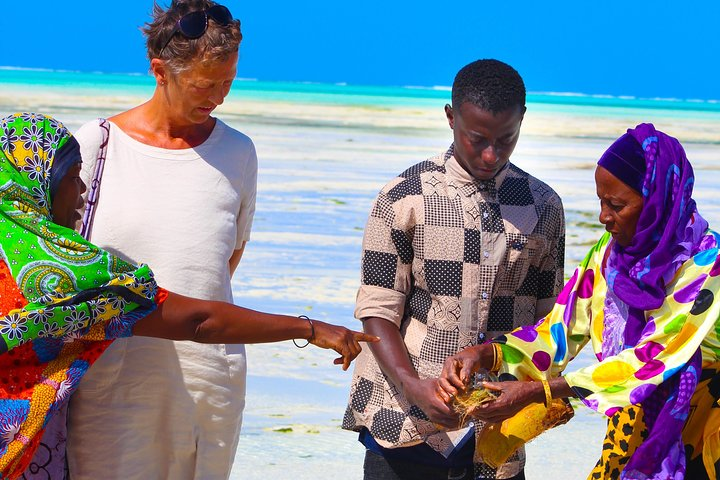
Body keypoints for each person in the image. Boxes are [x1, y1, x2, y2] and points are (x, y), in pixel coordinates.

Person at [0, 112, 376, 479]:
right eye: (70, 177)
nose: (81, 190)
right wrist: (308, 328)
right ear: (37, 185)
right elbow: (198, 321)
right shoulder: (63, 271)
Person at [438, 123, 720, 479]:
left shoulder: (708, 265)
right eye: (600, 202)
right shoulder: (610, 257)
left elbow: (651, 361)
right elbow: (558, 331)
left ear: (657, 202)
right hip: (631, 434)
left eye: (617, 205)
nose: (603, 217)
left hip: (702, 437)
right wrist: (486, 355)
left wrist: (538, 392)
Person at [342, 59, 566, 480]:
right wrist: (415, 387)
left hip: (497, 432)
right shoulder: (403, 198)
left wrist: (530, 393)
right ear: (450, 117)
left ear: (522, 120)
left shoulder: (544, 207)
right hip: (404, 423)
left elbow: (550, 322)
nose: (490, 154)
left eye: (506, 139)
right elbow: (378, 309)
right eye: (476, 138)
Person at [66, 1, 259, 478]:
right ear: (160, 71)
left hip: (206, 378)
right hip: (108, 375)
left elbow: (222, 265)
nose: (217, 97)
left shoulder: (238, 152)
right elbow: (62, 260)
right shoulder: (97, 145)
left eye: (228, 82)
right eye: (204, 84)